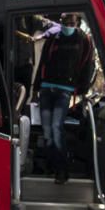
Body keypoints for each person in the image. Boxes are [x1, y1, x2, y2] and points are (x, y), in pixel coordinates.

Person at [33, 13, 94, 184]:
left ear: (78, 23)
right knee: (47, 132)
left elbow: (88, 64)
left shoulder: (84, 40)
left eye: (72, 22)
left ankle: (62, 170)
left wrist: (82, 88)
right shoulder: (54, 38)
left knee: (56, 127)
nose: (68, 25)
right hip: (47, 88)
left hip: (65, 90)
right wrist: (37, 86)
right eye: (65, 22)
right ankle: (52, 166)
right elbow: (43, 62)